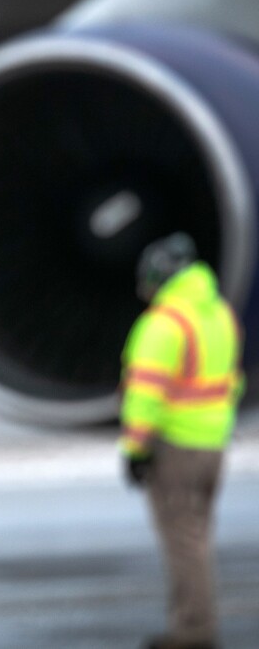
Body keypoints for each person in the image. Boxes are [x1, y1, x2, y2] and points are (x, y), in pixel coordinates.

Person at [118, 232, 244, 649]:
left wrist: (136, 448)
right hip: (212, 444)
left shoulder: (164, 324)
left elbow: (145, 395)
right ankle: (194, 624)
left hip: (176, 447)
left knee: (183, 541)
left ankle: (193, 631)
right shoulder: (219, 314)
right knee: (197, 535)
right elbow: (234, 381)